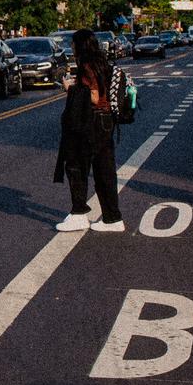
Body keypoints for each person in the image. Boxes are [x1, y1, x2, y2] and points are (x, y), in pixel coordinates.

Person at [53, 29, 125, 233]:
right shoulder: (102, 63)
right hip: (105, 121)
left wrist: (70, 88)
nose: (72, 47)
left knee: (76, 166)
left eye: (73, 44)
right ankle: (112, 218)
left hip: (91, 121)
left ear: (80, 45)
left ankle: (78, 215)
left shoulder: (87, 66)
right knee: (104, 171)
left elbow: (93, 96)